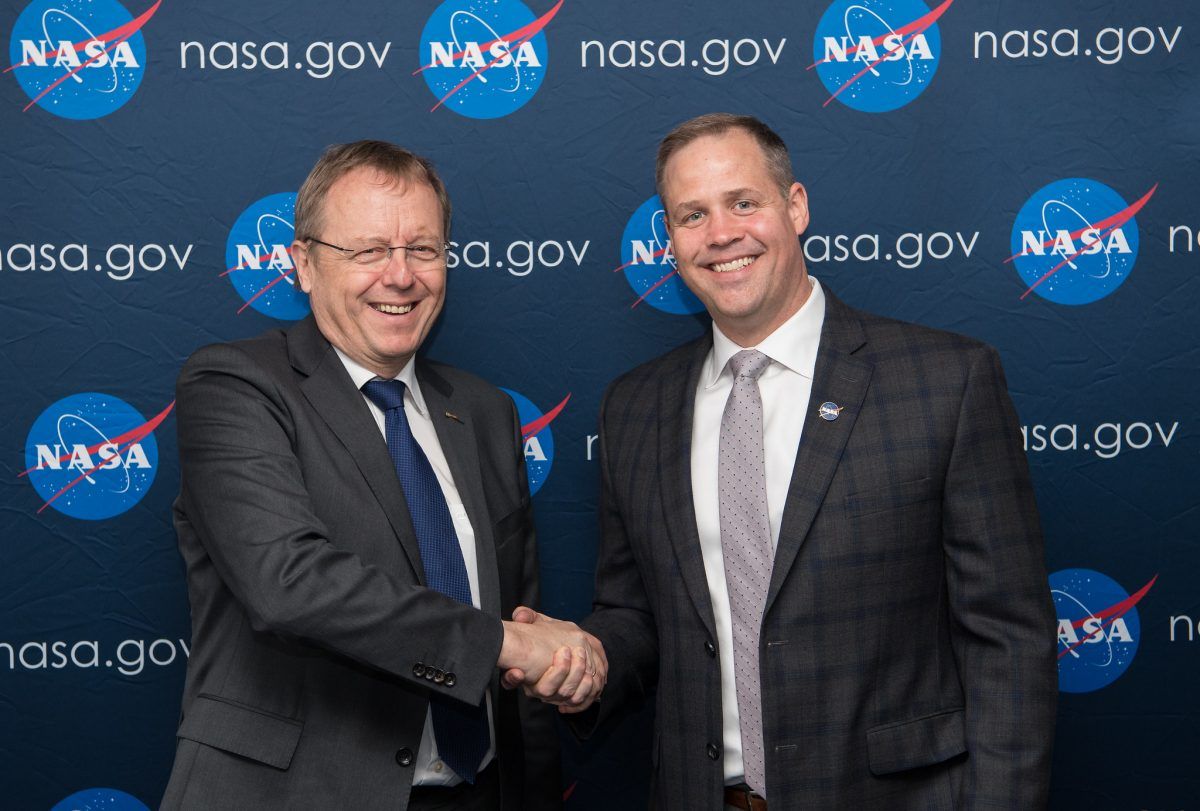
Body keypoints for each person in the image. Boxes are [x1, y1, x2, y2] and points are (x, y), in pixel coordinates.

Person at [515, 114, 1057, 809]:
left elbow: (1009, 638)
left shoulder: (945, 382)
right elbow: (639, 617)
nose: (721, 234)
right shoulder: (634, 409)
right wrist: (580, 658)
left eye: (744, 202)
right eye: (692, 214)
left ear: (794, 207)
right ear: (671, 241)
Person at [161, 140, 604, 811]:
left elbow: (517, 641)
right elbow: (287, 582)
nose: (400, 276)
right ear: (304, 264)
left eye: (422, 249)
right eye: (368, 250)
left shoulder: (483, 412)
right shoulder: (235, 384)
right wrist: (506, 642)